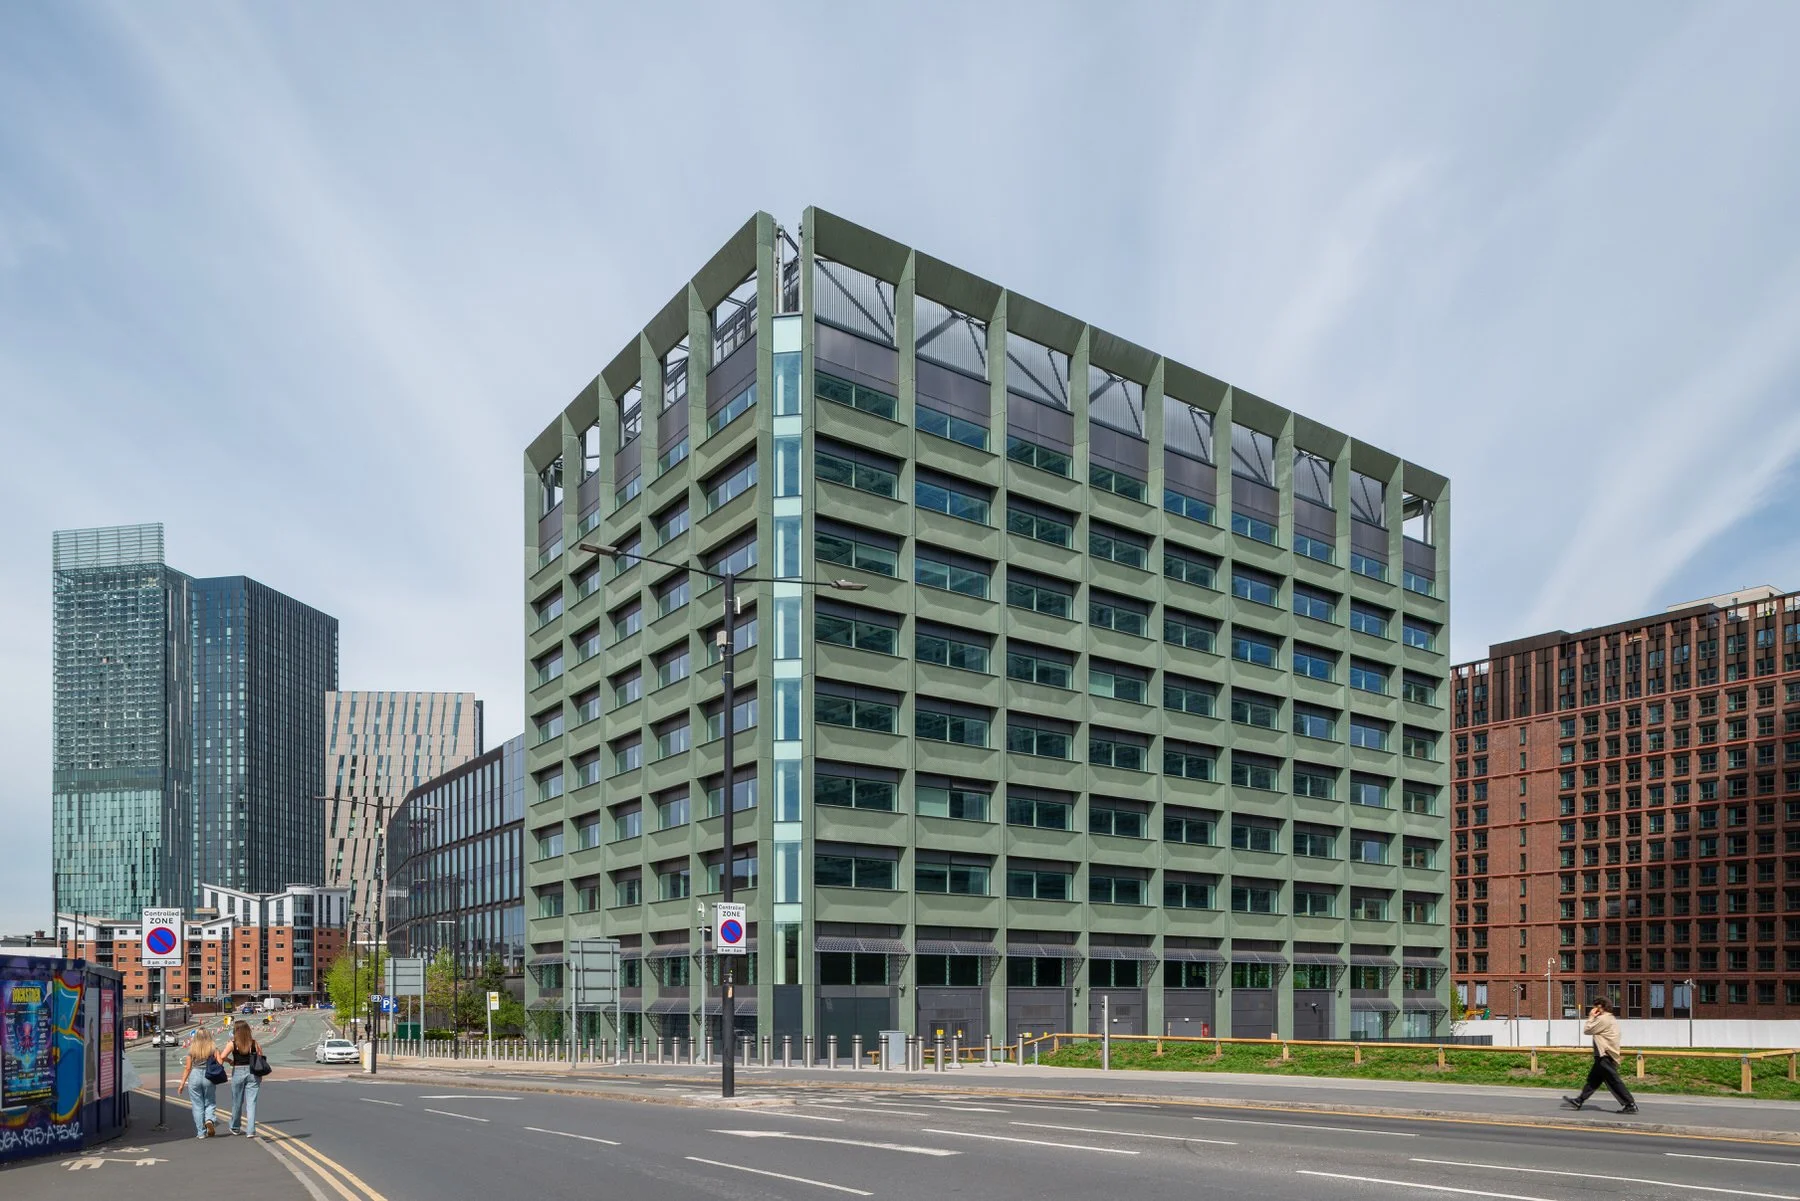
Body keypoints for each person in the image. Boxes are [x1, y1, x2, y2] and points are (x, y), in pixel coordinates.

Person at [1563, 996, 1638, 1113]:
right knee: (1593, 1080)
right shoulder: (1610, 1018)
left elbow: (1587, 1030)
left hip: (1605, 1055)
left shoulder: (1603, 1019)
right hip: (1603, 1055)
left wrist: (1591, 1017)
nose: (1594, 1008)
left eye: (1596, 1006)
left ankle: (1630, 1104)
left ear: (1600, 1007)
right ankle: (1579, 1100)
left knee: (1614, 1080)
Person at [175, 1029, 223, 1138]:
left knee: (197, 1105)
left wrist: (182, 1084)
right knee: (210, 1102)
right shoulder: (213, 1048)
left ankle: (201, 1133)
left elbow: (187, 1068)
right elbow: (220, 1062)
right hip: (209, 1076)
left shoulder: (192, 1049)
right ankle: (209, 1119)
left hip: (194, 1075)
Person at [222, 1020, 265, 1137]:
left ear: (236, 1031)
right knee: (252, 1103)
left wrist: (230, 1061)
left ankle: (235, 1127)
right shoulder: (254, 1043)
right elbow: (261, 1057)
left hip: (238, 1071)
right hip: (253, 1072)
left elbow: (222, 1056)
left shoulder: (232, 1044)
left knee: (237, 1101)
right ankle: (250, 1130)